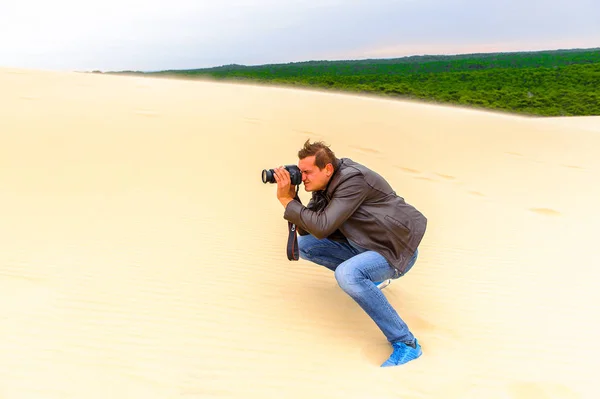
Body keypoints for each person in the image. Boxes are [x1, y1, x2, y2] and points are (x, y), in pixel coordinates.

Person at [272, 139, 427, 367]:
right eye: (300, 172)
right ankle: (368, 284)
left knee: (348, 274)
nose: (302, 177)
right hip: (362, 245)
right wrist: (292, 198)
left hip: (393, 250)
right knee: (305, 246)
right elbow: (309, 230)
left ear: (328, 168)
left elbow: (323, 226)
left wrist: (286, 200)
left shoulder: (353, 180)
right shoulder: (324, 187)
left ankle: (406, 343)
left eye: (307, 172)